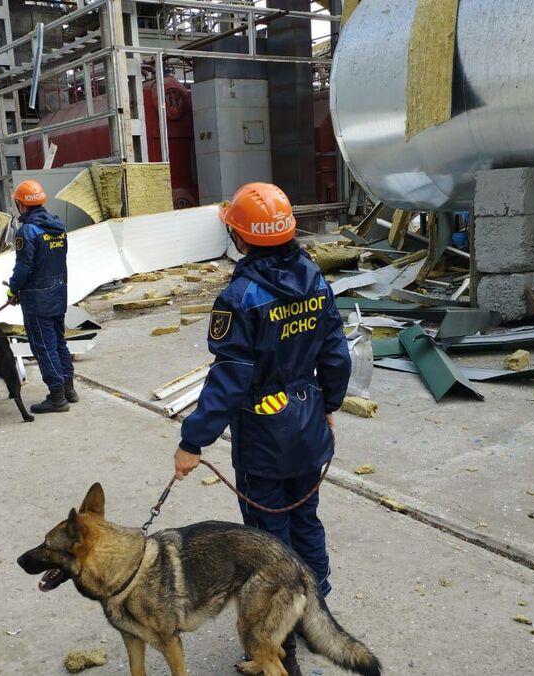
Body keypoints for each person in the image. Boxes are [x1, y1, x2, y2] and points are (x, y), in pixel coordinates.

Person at [172, 182, 351, 675]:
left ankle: (283, 652)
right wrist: (328, 403)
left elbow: (229, 381)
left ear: (241, 236)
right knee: (306, 523)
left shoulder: (240, 297)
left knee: (268, 543)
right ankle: (317, 610)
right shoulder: (315, 276)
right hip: (308, 424)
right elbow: (336, 354)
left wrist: (193, 441)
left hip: (264, 439)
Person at [7, 179, 77, 413]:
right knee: (59, 342)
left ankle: (57, 398)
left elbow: (24, 268)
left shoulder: (27, 231)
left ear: (22, 205)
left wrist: (13, 289)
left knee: (44, 347)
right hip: (58, 293)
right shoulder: (58, 226)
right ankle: (69, 389)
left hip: (38, 299)